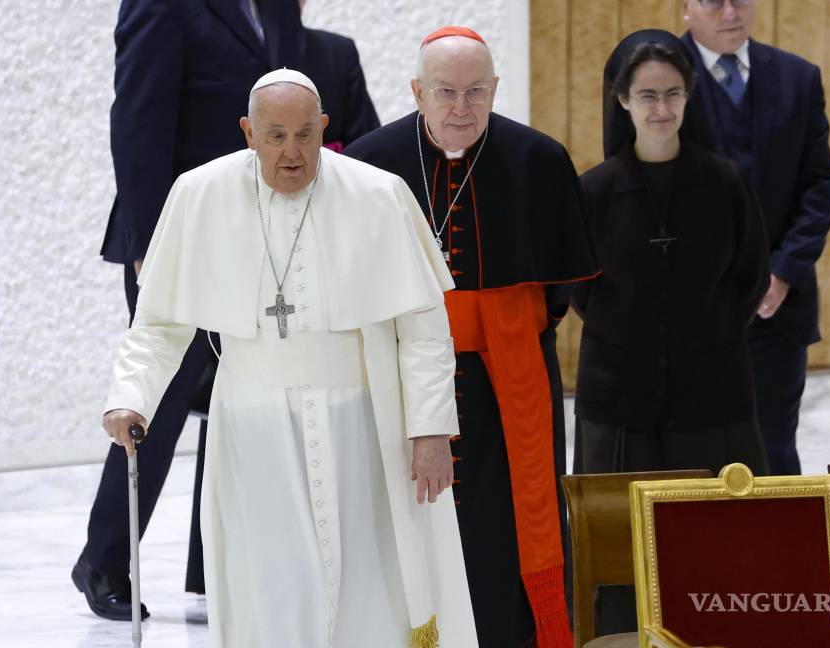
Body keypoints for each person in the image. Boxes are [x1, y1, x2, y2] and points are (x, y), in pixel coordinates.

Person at [100, 69, 477, 648]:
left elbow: (424, 329)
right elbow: (157, 324)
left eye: (305, 135)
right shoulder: (200, 195)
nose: (292, 153)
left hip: (362, 424)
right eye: (275, 137)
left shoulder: (378, 195)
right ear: (249, 132)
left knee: (365, 581)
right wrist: (130, 397)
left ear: (324, 128)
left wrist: (429, 429)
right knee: (271, 582)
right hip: (252, 426)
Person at [75, 0, 380, 620]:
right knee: (159, 396)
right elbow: (138, 117)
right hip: (180, 234)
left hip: (265, 232)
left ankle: (209, 567)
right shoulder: (162, 8)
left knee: (236, 391)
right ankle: (104, 560)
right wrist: (148, 243)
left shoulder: (281, 11)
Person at [345, 26, 596, 648]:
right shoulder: (373, 165)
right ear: (417, 92)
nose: (462, 108)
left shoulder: (538, 159)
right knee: (409, 519)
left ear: (495, 89)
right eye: (446, 92)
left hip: (505, 378)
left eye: (477, 92)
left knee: (504, 521)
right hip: (403, 376)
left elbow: (556, 295)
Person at [573, 30, 770, 637]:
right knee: (622, 556)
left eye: (674, 94)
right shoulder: (595, 190)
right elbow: (580, 289)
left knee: (721, 552)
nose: (662, 109)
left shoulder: (724, 182)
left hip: (713, 395)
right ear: (622, 101)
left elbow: (750, 275)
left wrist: (699, 339)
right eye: (647, 95)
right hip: (620, 400)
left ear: (690, 99)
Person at [680, 0, 830, 474]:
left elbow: (818, 185)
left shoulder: (797, 78)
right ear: (686, 7)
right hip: (690, 309)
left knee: (773, 447)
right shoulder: (659, 77)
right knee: (696, 455)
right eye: (712, 1)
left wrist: (782, 273)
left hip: (778, 307)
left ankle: (782, 549)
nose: (730, 12)